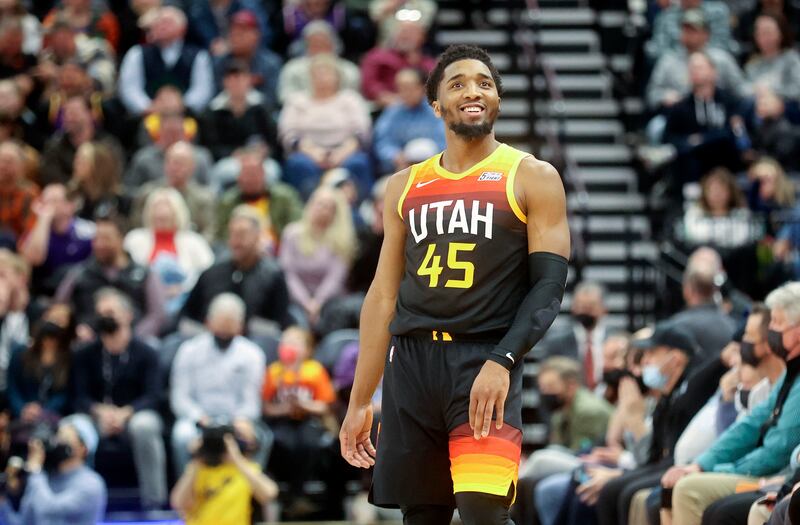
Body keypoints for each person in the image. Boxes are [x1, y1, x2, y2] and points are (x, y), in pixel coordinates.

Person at [340, 44, 570, 524]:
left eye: (485, 82)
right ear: (436, 106)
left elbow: (548, 286)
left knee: (484, 514)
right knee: (422, 516)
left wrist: (504, 359)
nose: (474, 91)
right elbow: (383, 295)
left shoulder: (531, 175)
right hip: (411, 366)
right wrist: (361, 399)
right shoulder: (404, 184)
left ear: (497, 101)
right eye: (458, 83)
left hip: (482, 358)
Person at [662, 281, 800, 525]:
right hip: (764, 473)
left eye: (777, 322)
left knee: (691, 492)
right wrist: (702, 465)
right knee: (670, 488)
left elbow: (778, 449)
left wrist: (718, 469)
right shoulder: (792, 373)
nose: (772, 332)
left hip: (776, 475)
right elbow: (749, 425)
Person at [70, 287, 166, 509]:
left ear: (128, 315)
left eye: (110, 312)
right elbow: (79, 397)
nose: (104, 318)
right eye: (100, 313)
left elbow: (154, 395)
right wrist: (100, 411)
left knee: (146, 427)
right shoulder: (85, 353)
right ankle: (81, 503)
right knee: (74, 427)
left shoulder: (147, 352)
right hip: (97, 416)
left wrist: (125, 413)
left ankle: (154, 503)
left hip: (134, 415)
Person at [171, 293, 270, 473]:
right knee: (182, 436)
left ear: (240, 326)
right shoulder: (189, 351)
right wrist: (200, 418)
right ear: (208, 322)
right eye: (220, 327)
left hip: (236, 418)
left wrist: (238, 421)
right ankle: (187, 496)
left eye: (229, 327)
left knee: (260, 437)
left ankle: (251, 496)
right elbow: (180, 397)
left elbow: (251, 401)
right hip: (198, 419)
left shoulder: (252, 354)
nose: (224, 332)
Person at [54, 212, 167, 340]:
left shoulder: (144, 274)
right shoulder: (79, 273)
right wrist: (75, 329)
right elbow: (59, 307)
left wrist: (131, 337)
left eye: (106, 238)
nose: (99, 244)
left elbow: (158, 315)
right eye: (96, 239)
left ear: (121, 239)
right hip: (86, 343)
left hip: (133, 345)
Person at [263, 325, 337, 515]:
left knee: (309, 444)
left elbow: (324, 405)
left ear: (308, 349)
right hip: (282, 421)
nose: (290, 346)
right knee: (281, 443)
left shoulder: (314, 370)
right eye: (286, 342)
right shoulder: (274, 371)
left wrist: (304, 405)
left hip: (308, 420)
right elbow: (266, 407)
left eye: (296, 343)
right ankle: (281, 495)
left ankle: (298, 495)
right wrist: (283, 409)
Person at [279, 53, 373, 200]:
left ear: (337, 77)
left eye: (327, 73)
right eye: (317, 73)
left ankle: (357, 210)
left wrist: (343, 152)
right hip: (308, 150)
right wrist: (311, 151)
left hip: (345, 149)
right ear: (309, 77)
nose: (322, 77)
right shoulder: (297, 101)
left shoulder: (350, 99)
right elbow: (288, 133)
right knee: (297, 164)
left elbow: (362, 131)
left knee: (358, 163)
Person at [182, 205, 292, 330]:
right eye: (232, 233)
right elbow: (189, 315)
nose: (236, 241)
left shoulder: (273, 275)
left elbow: (281, 322)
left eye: (242, 234)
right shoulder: (212, 273)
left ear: (257, 236)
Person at [124, 188, 214, 314]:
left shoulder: (195, 242)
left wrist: (183, 288)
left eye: (166, 209)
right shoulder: (134, 239)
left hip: (185, 304)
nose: (161, 213)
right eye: (156, 208)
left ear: (178, 213)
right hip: (142, 303)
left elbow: (208, 275)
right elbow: (124, 271)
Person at [0, 419, 106, 525]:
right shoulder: (45, 478)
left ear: (83, 448)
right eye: (58, 435)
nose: (58, 441)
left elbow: (49, 511)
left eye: (65, 438)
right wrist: (2, 502)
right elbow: (24, 522)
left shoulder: (91, 483)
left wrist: (36, 470)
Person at [118, 6, 214, 116]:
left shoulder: (199, 55)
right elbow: (130, 89)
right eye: (157, 22)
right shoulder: (137, 53)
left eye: (167, 22)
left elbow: (202, 90)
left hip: (186, 117)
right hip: (146, 117)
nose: (161, 26)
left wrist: (182, 107)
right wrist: (147, 107)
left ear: (183, 29)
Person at [280, 187, 355, 326]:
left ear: (335, 213)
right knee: (294, 318)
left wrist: (317, 303)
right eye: (319, 204)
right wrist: (306, 303)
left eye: (328, 207)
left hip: (331, 302)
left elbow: (335, 278)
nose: (322, 210)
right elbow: (288, 273)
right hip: (296, 300)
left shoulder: (342, 240)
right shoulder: (291, 234)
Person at [170, 428, 278, 525]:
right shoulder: (197, 470)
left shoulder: (246, 469)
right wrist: (197, 457)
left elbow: (269, 493)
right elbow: (178, 503)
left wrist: (236, 458)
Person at [7, 307, 75, 447]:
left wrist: (43, 411)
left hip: (51, 416)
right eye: (52, 317)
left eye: (60, 320)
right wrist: (21, 408)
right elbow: (12, 387)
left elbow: (66, 393)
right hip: (21, 414)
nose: (54, 323)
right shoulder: (21, 353)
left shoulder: (70, 358)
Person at [215, 147, 303, 246]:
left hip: (280, 253)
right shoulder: (228, 202)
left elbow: (297, 226)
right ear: (238, 177)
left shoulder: (285, 196)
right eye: (246, 174)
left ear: (263, 174)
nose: (250, 179)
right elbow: (220, 235)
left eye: (254, 174)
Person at [130, 141, 216, 241]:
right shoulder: (147, 193)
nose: (177, 168)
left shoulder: (204, 198)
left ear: (193, 167)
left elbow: (210, 232)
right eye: (174, 163)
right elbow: (137, 226)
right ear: (165, 165)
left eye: (182, 164)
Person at [19, 183, 94, 297]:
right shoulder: (37, 231)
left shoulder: (87, 230)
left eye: (54, 201)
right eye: (45, 201)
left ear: (69, 205)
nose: (48, 206)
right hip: (43, 292)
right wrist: (44, 219)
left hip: (78, 290)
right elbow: (32, 260)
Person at [199, 59, 278, 162]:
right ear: (225, 82)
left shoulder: (262, 107)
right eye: (232, 79)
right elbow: (210, 147)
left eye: (240, 78)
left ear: (249, 80)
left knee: (271, 171)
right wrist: (232, 153)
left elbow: (274, 141)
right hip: (228, 160)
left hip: (259, 160)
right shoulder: (213, 111)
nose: (237, 83)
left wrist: (265, 151)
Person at [373, 67, 447, 175]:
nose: (405, 93)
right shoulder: (393, 112)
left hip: (435, 167)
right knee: (384, 189)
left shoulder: (436, 110)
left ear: (422, 88)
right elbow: (382, 142)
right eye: (401, 88)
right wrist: (395, 155)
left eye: (409, 88)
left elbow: (446, 141)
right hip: (401, 168)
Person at [38, 95, 123, 188]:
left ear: (92, 114)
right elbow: (51, 178)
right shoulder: (54, 146)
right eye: (65, 113)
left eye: (74, 113)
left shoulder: (108, 145)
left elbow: (115, 176)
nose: (68, 117)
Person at [538, 281, 609, 389]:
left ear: (604, 309)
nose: (586, 312)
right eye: (581, 306)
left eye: (591, 307)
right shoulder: (556, 342)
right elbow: (545, 382)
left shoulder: (616, 340)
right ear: (573, 308)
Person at [537, 356, 613, 452]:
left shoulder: (587, 411)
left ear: (571, 385)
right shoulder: (560, 413)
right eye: (543, 388)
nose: (545, 393)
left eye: (551, 386)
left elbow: (582, 452)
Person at [212, 9, 282, 109]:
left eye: (242, 32)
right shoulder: (220, 62)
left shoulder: (271, 63)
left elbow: (272, 99)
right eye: (233, 31)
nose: (236, 36)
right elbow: (215, 96)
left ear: (256, 35)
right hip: (226, 115)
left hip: (261, 117)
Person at [277, 20, 360, 104]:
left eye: (323, 42)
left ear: (333, 44)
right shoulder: (292, 69)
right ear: (306, 45)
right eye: (314, 43)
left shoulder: (349, 70)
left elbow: (354, 97)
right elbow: (285, 96)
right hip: (303, 111)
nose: (319, 47)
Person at [126, 109, 213, 189]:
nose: (173, 138)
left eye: (177, 132)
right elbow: (132, 191)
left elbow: (210, 190)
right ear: (159, 134)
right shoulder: (144, 159)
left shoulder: (200, 158)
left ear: (186, 134)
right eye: (169, 133)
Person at [360, 20, 436, 107]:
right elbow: (369, 84)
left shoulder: (429, 63)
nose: (405, 36)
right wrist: (385, 97)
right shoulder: (376, 57)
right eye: (402, 31)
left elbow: (436, 87)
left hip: (422, 108)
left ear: (422, 37)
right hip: (384, 107)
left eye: (411, 32)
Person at [677, 167, 758, 249]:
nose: (717, 195)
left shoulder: (742, 215)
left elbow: (744, 240)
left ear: (731, 192)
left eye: (721, 190)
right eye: (713, 190)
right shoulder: (694, 216)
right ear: (705, 193)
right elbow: (692, 240)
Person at [645, 0, 735, 60]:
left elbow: (722, 45)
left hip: (710, 61)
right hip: (675, 63)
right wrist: (683, 55)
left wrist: (698, 57)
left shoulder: (718, 11)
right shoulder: (666, 16)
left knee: (721, 59)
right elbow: (657, 49)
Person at [67, 141, 131, 222]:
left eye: (82, 160)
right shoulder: (72, 196)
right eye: (76, 158)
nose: (76, 164)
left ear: (97, 166)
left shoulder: (118, 201)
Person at [744, 13, 800, 104]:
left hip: (786, 108)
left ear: (781, 33)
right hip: (756, 106)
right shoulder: (753, 63)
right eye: (759, 33)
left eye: (767, 32)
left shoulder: (791, 59)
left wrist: (773, 92)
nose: (763, 37)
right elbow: (743, 89)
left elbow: (797, 89)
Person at [0, 140, 37, 246]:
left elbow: (30, 231)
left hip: (17, 249)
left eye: (9, 162)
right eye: (1, 160)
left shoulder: (29, 194)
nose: (3, 166)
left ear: (22, 166)